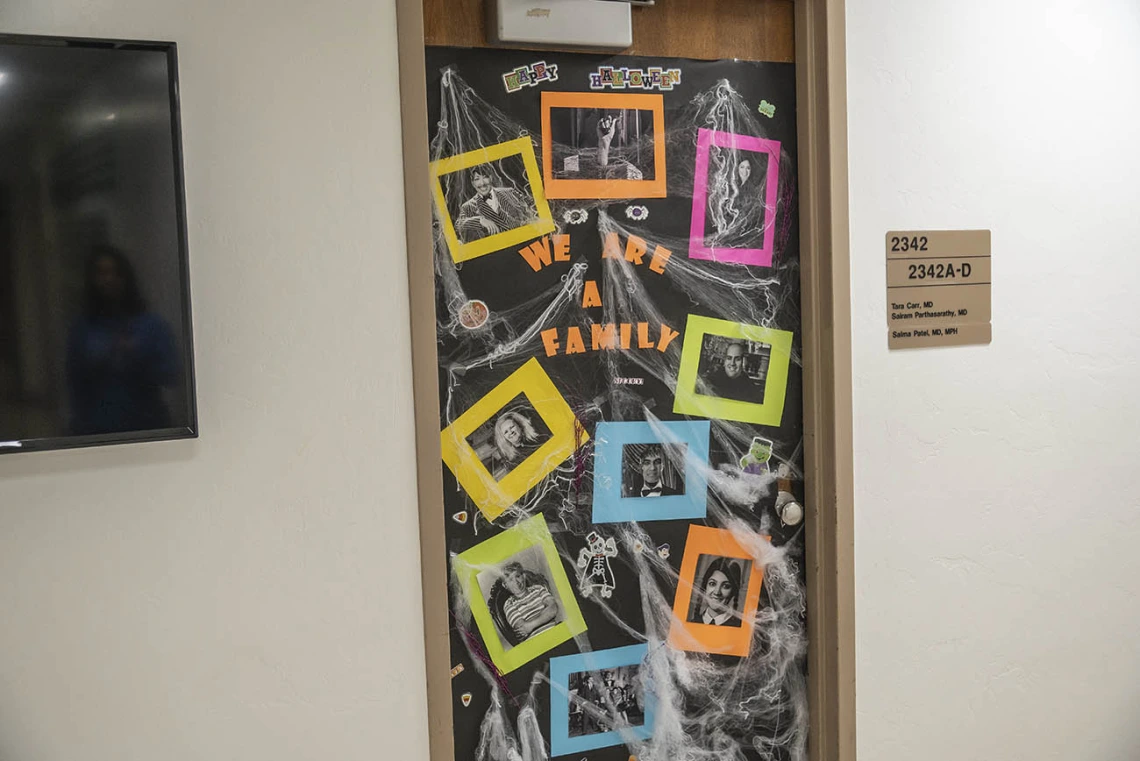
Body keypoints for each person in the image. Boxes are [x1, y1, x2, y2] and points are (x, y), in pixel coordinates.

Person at [66, 246, 179, 435]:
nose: (108, 280)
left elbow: (171, 375)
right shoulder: (82, 329)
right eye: (101, 273)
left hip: (148, 429)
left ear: (126, 277)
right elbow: (73, 382)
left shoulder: (151, 325)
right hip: (94, 432)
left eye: (115, 273)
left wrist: (137, 354)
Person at [488, 561, 561, 647]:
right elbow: (522, 628)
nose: (516, 582)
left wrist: (530, 625)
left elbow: (553, 608)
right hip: (535, 644)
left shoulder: (538, 589)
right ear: (505, 585)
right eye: (510, 580)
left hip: (556, 634)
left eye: (518, 576)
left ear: (524, 576)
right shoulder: (509, 604)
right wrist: (545, 614)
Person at [455, 166, 535, 242]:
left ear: (491, 178)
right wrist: (480, 220)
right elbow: (459, 224)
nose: (482, 183)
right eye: (477, 179)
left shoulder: (509, 192)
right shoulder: (467, 207)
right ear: (473, 183)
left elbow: (531, 206)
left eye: (485, 177)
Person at [487, 410, 542, 479]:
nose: (510, 432)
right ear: (504, 438)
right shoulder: (511, 461)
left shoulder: (539, 440)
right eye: (506, 432)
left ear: (520, 426)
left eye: (512, 427)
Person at [694, 557, 744, 627]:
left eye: (726, 586)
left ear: (733, 592)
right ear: (705, 587)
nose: (717, 592)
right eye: (712, 584)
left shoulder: (740, 626)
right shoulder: (692, 622)